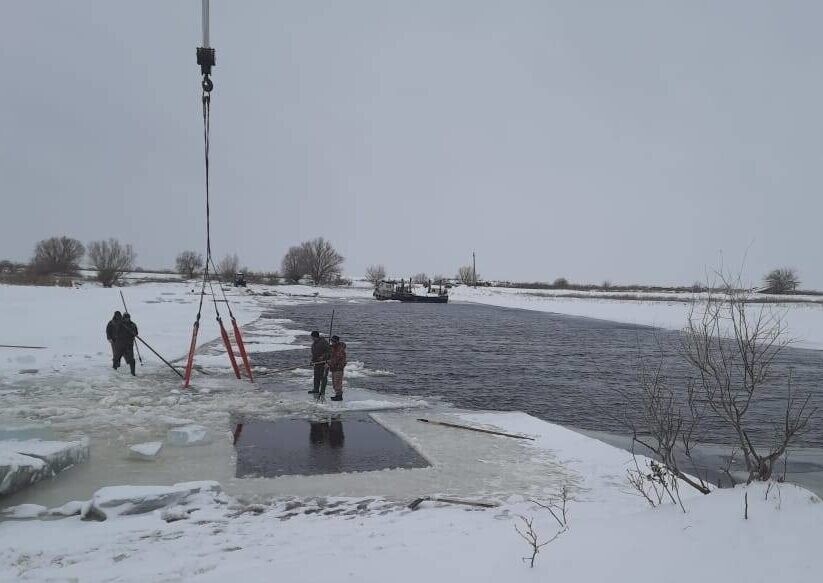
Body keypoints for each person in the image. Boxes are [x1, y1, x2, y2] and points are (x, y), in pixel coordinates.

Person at [308, 330, 330, 395]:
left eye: (312, 337)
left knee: (323, 377)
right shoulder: (314, 344)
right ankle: (316, 389)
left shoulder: (324, 342)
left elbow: (329, 351)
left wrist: (323, 357)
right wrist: (312, 361)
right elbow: (314, 355)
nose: (311, 338)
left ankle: (322, 391)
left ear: (315, 336)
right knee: (316, 377)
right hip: (317, 363)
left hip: (324, 363)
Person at [328, 335, 347, 401]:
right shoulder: (333, 348)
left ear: (336, 342)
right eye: (331, 341)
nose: (332, 343)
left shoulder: (340, 349)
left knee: (337, 382)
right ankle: (337, 394)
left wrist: (329, 363)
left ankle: (339, 396)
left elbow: (336, 358)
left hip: (338, 368)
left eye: (333, 342)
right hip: (334, 368)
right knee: (334, 382)